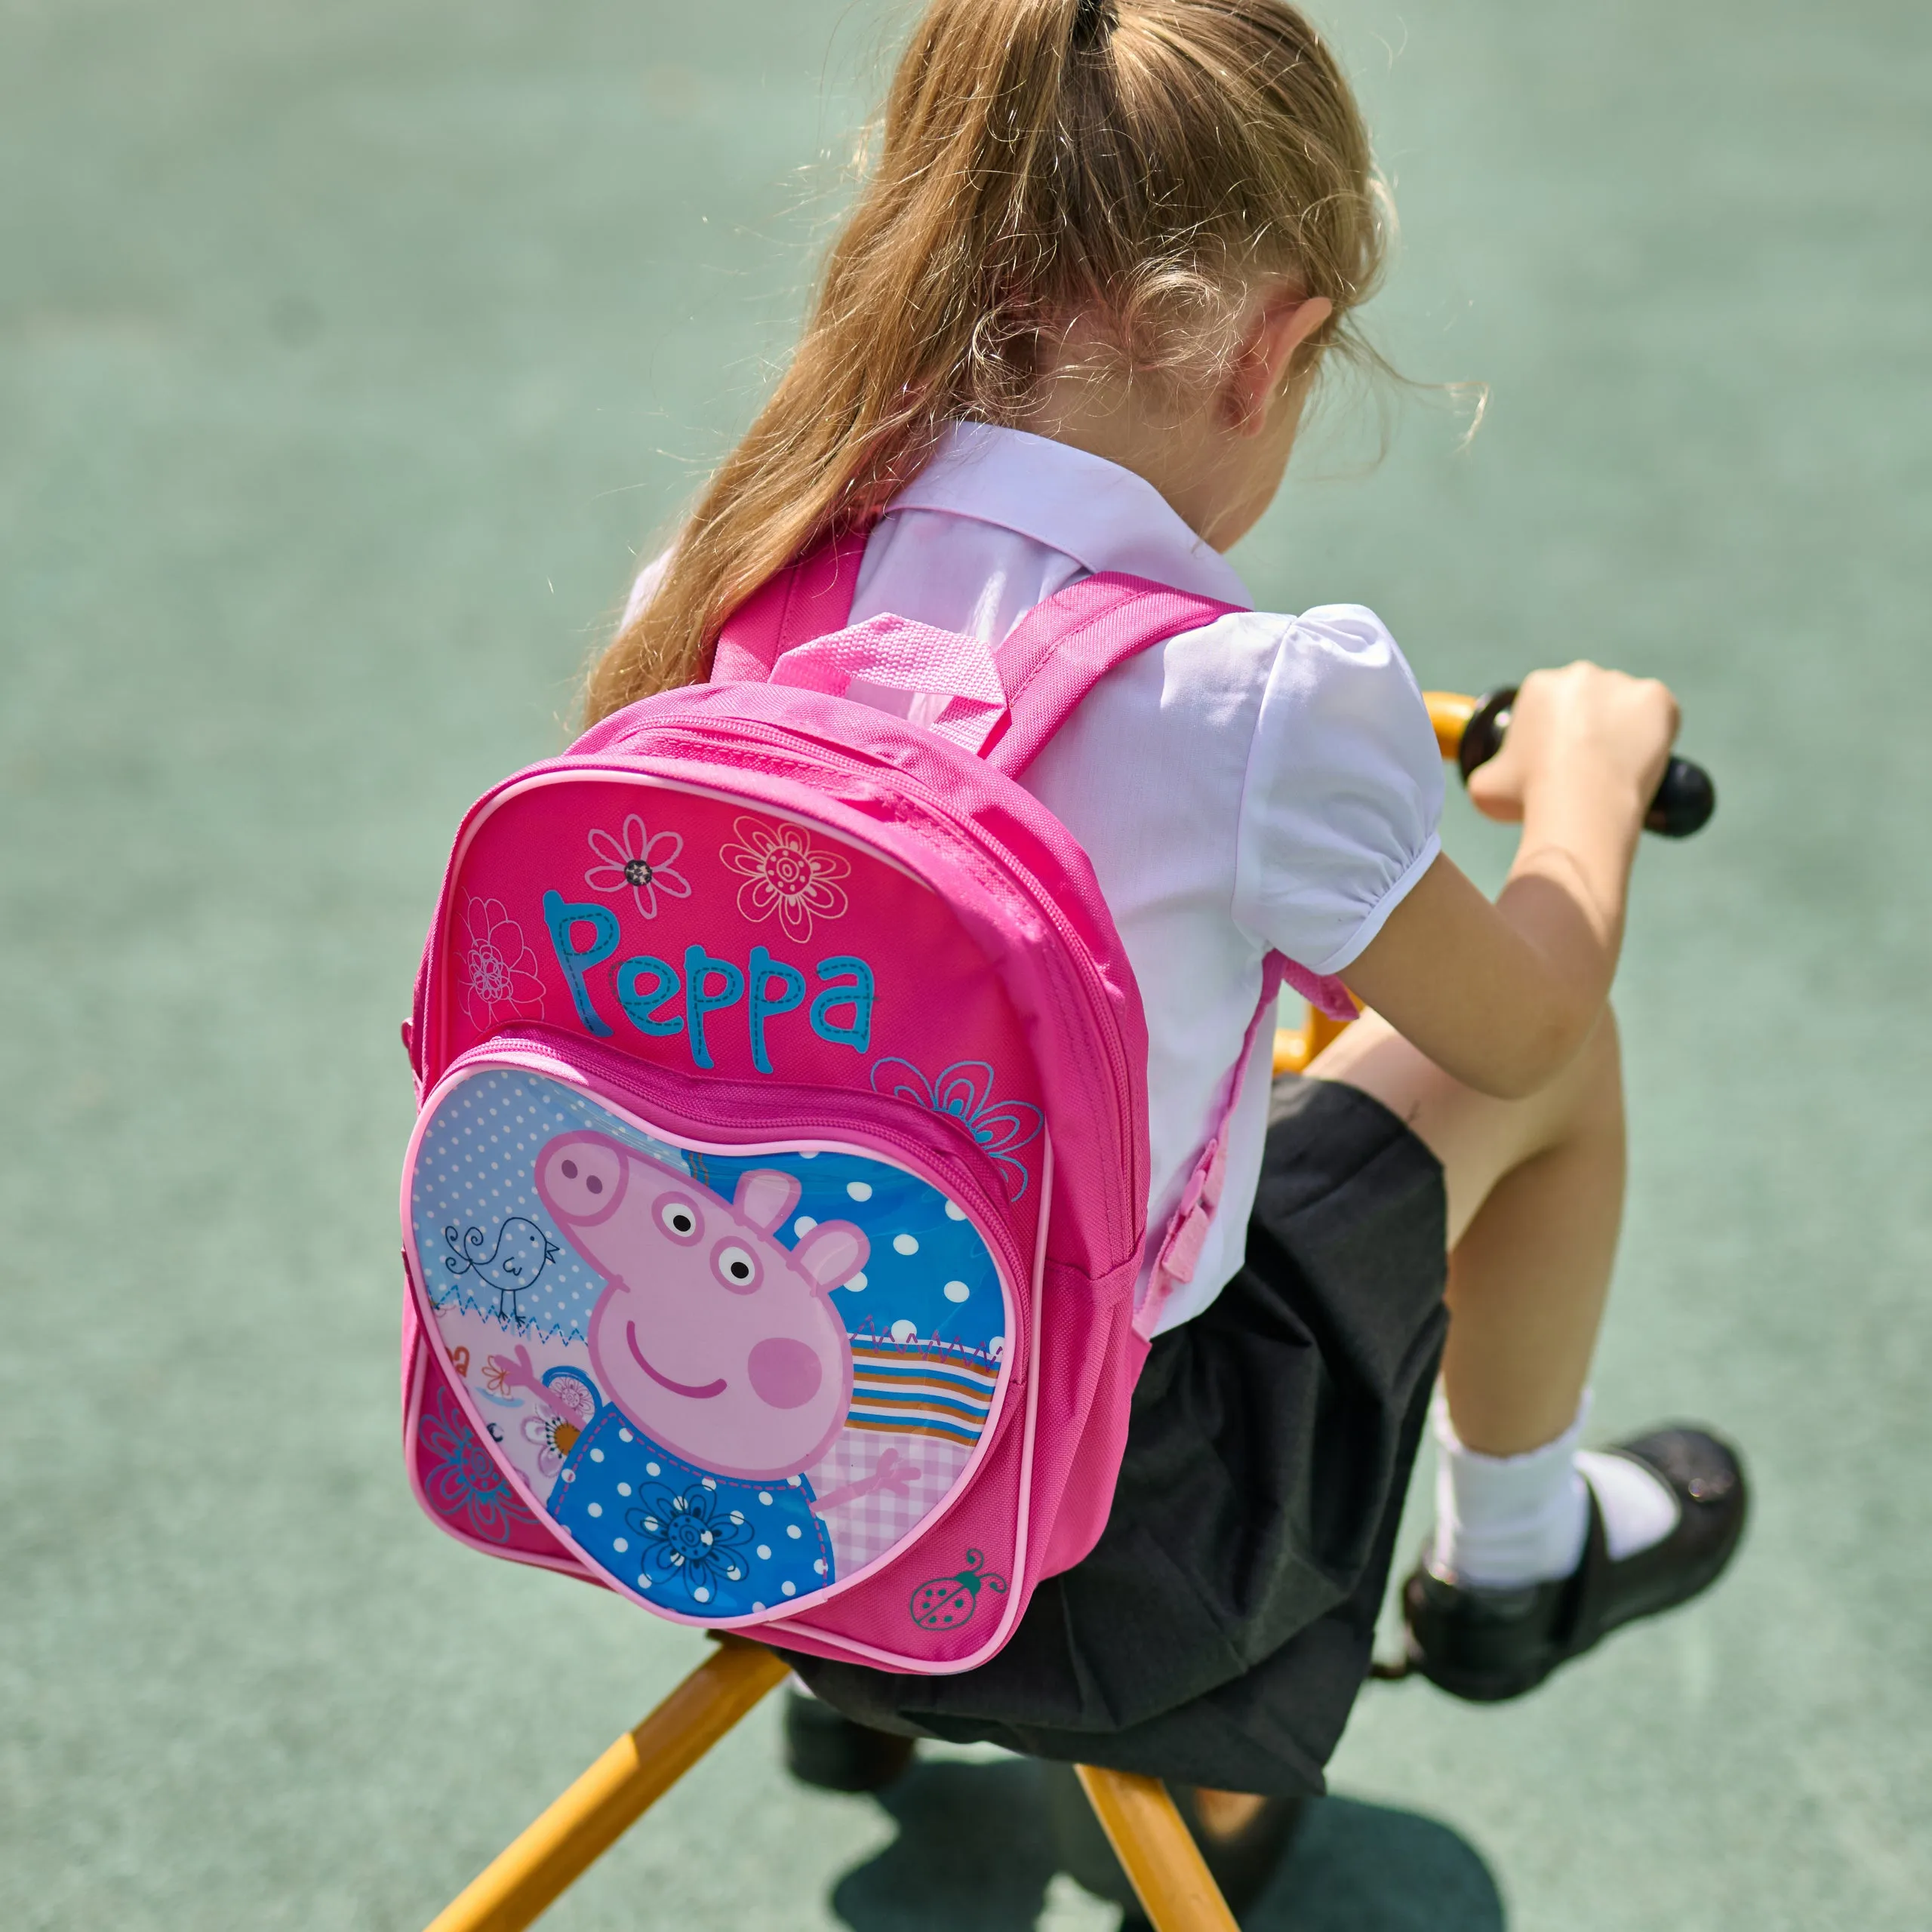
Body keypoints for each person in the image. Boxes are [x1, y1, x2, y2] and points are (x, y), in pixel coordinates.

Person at [585, 0, 1746, 1885]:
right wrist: (1582, 790)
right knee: (1552, 1059)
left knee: (845, 1089)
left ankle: (859, 1686)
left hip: (708, 1472)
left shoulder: (729, 571)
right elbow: (1522, 1023)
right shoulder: (1252, 707)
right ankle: (1512, 1559)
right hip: (1112, 1546)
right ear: (1269, 349)